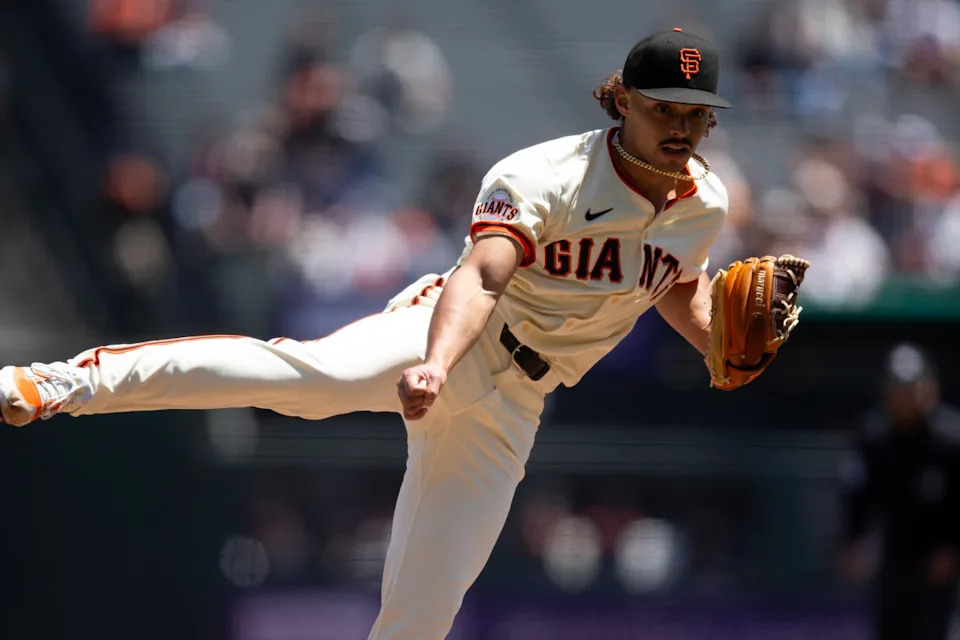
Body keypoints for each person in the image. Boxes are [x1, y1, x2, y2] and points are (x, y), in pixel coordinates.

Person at [3, 29, 759, 640]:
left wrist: (719, 346)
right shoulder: (548, 176)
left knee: (422, 616)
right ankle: (69, 382)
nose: (682, 126)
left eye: (696, 113)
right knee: (308, 383)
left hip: (516, 406)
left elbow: (678, 285)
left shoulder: (706, 203)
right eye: (665, 108)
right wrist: (434, 362)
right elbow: (482, 277)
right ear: (622, 100)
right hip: (450, 332)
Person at [839, 343, 960, 640]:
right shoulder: (875, 439)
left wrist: (953, 549)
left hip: (940, 561)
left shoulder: (950, 440)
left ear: (929, 388)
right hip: (893, 556)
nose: (905, 397)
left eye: (911, 388)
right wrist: (853, 540)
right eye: (898, 388)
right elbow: (858, 494)